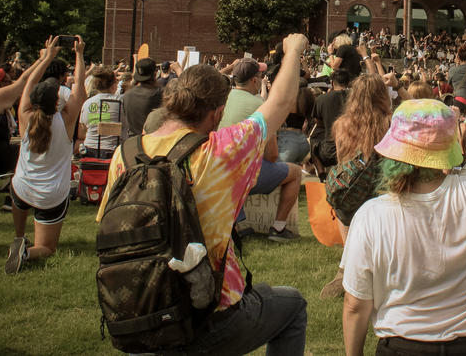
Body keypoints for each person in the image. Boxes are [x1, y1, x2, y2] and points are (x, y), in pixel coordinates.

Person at [98, 33, 309, 354]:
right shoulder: (219, 151)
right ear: (216, 114)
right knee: (291, 306)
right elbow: (279, 103)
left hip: (140, 312)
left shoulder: (124, 156)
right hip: (208, 316)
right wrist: (293, 49)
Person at [341, 41, 466, 355]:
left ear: (395, 150)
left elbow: (356, 305)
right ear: (450, 148)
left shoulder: (371, 215)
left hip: (402, 346)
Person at [5, 35, 85, 274]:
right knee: (47, 249)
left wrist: (47, 56)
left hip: (21, 187)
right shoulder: (66, 120)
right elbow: (79, 87)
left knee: (19, 194)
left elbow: (29, 81)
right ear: (57, 101)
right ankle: (26, 252)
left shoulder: (24, 116)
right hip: (51, 194)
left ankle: (20, 238)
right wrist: (79, 54)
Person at [320, 73, 394, 300]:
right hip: (380, 194)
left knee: (343, 210)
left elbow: (343, 163)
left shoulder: (341, 125)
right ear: (381, 96)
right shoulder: (389, 123)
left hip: (352, 198)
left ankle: (347, 265)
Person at [220, 58, 301, 242]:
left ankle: (237, 222)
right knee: (295, 172)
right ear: (254, 80)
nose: (262, 78)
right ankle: (278, 228)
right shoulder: (260, 106)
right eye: (260, 75)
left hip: (220, 169)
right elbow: (272, 155)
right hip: (244, 174)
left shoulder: (223, 98)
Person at [78, 65, 122, 158]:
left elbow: (82, 130)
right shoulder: (121, 102)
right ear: (113, 85)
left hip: (89, 149)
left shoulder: (87, 103)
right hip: (113, 150)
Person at [120, 57, 163, 138]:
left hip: (131, 142)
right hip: (151, 142)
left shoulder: (127, 94)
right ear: (155, 74)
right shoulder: (159, 94)